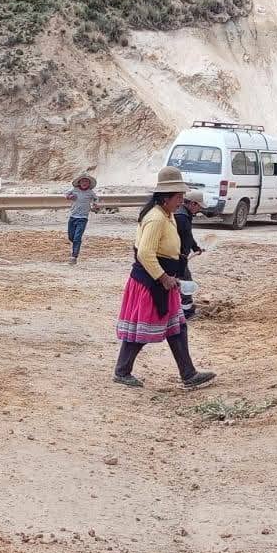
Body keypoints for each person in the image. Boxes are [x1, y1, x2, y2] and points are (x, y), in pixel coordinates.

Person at [113, 167, 216, 389]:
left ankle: (189, 374)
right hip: (151, 281)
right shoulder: (156, 218)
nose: (182, 200)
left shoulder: (165, 215)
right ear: (166, 197)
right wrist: (162, 277)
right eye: (179, 196)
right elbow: (145, 252)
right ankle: (122, 371)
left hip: (162, 280)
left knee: (177, 327)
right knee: (142, 329)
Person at [176, 189, 206, 318]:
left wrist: (195, 248)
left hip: (178, 256)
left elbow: (188, 236)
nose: (199, 210)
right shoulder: (182, 217)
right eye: (199, 206)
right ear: (193, 204)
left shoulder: (183, 214)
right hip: (177, 257)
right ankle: (186, 311)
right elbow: (183, 237)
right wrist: (183, 255)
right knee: (186, 282)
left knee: (180, 282)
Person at [64, 174, 100, 265]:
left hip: (83, 218)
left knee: (77, 237)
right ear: (79, 182)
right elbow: (66, 195)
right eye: (83, 181)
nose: (84, 183)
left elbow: (96, 199)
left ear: (89, 184)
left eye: (86, 182)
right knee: (71, 236)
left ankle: (74, 256)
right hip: (73, 216)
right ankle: (76, 244)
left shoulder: (90, 192)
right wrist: (70, 197)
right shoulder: (74, 190)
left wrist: (95, 205)